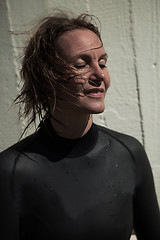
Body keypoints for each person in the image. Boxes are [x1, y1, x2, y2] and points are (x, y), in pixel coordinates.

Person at [0, 11, 160, 240]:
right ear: (47, 77)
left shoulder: (129, 153)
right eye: (81, 65)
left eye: (103, 63)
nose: (99, 75)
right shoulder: (11, 170)